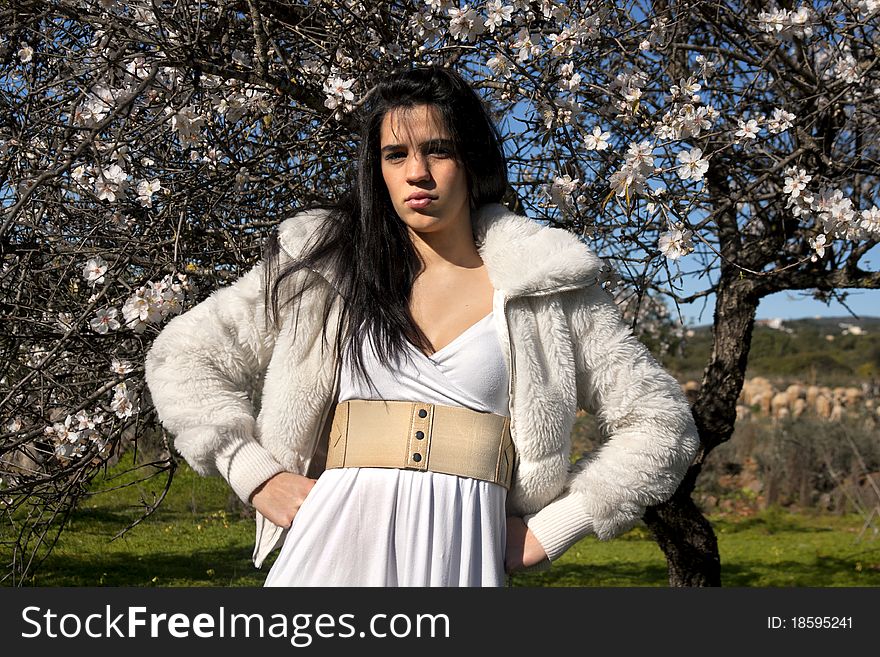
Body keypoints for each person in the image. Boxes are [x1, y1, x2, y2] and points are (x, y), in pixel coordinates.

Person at [144, 65, 700, 587]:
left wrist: (559, 525)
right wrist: (256, 475)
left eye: (438, 150)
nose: (417, 172)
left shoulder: (546, 282)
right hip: (330, 542)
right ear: (377, 170)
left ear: (473, 160)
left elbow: (661, 424)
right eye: (395, 154)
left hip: (462, 551)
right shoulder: (324, 265)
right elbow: (184, 356)